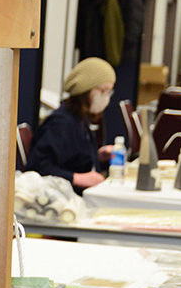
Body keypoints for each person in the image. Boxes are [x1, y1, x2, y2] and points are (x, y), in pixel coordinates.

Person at [25, 57, 116, 193]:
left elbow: (71, 157)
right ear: (86, 90)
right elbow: (38, 167)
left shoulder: (79, 119)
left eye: (109, 91)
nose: (106, 97)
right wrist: (77, 178)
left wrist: (97, 157)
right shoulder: (60, 124)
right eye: (103, 91)